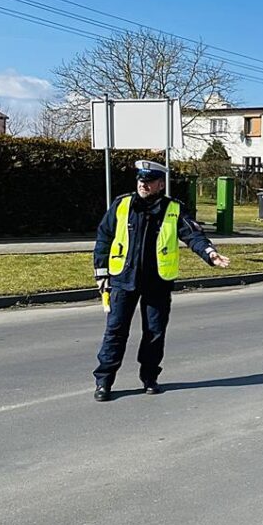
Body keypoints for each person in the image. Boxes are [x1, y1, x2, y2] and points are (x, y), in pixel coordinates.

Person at [92, 160, 231, 401]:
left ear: (160, 184)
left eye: (148, 181)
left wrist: (209, 253)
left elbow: (193, 235)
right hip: (124, 279)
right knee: (115, 331)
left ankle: (149, 378)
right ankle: (104, 381)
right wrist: (101, 272)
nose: (143, 185)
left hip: (157, 282)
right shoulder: (122, 205)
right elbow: (104, 238)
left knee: (154, 333)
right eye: (140, 181)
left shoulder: (174, 209)